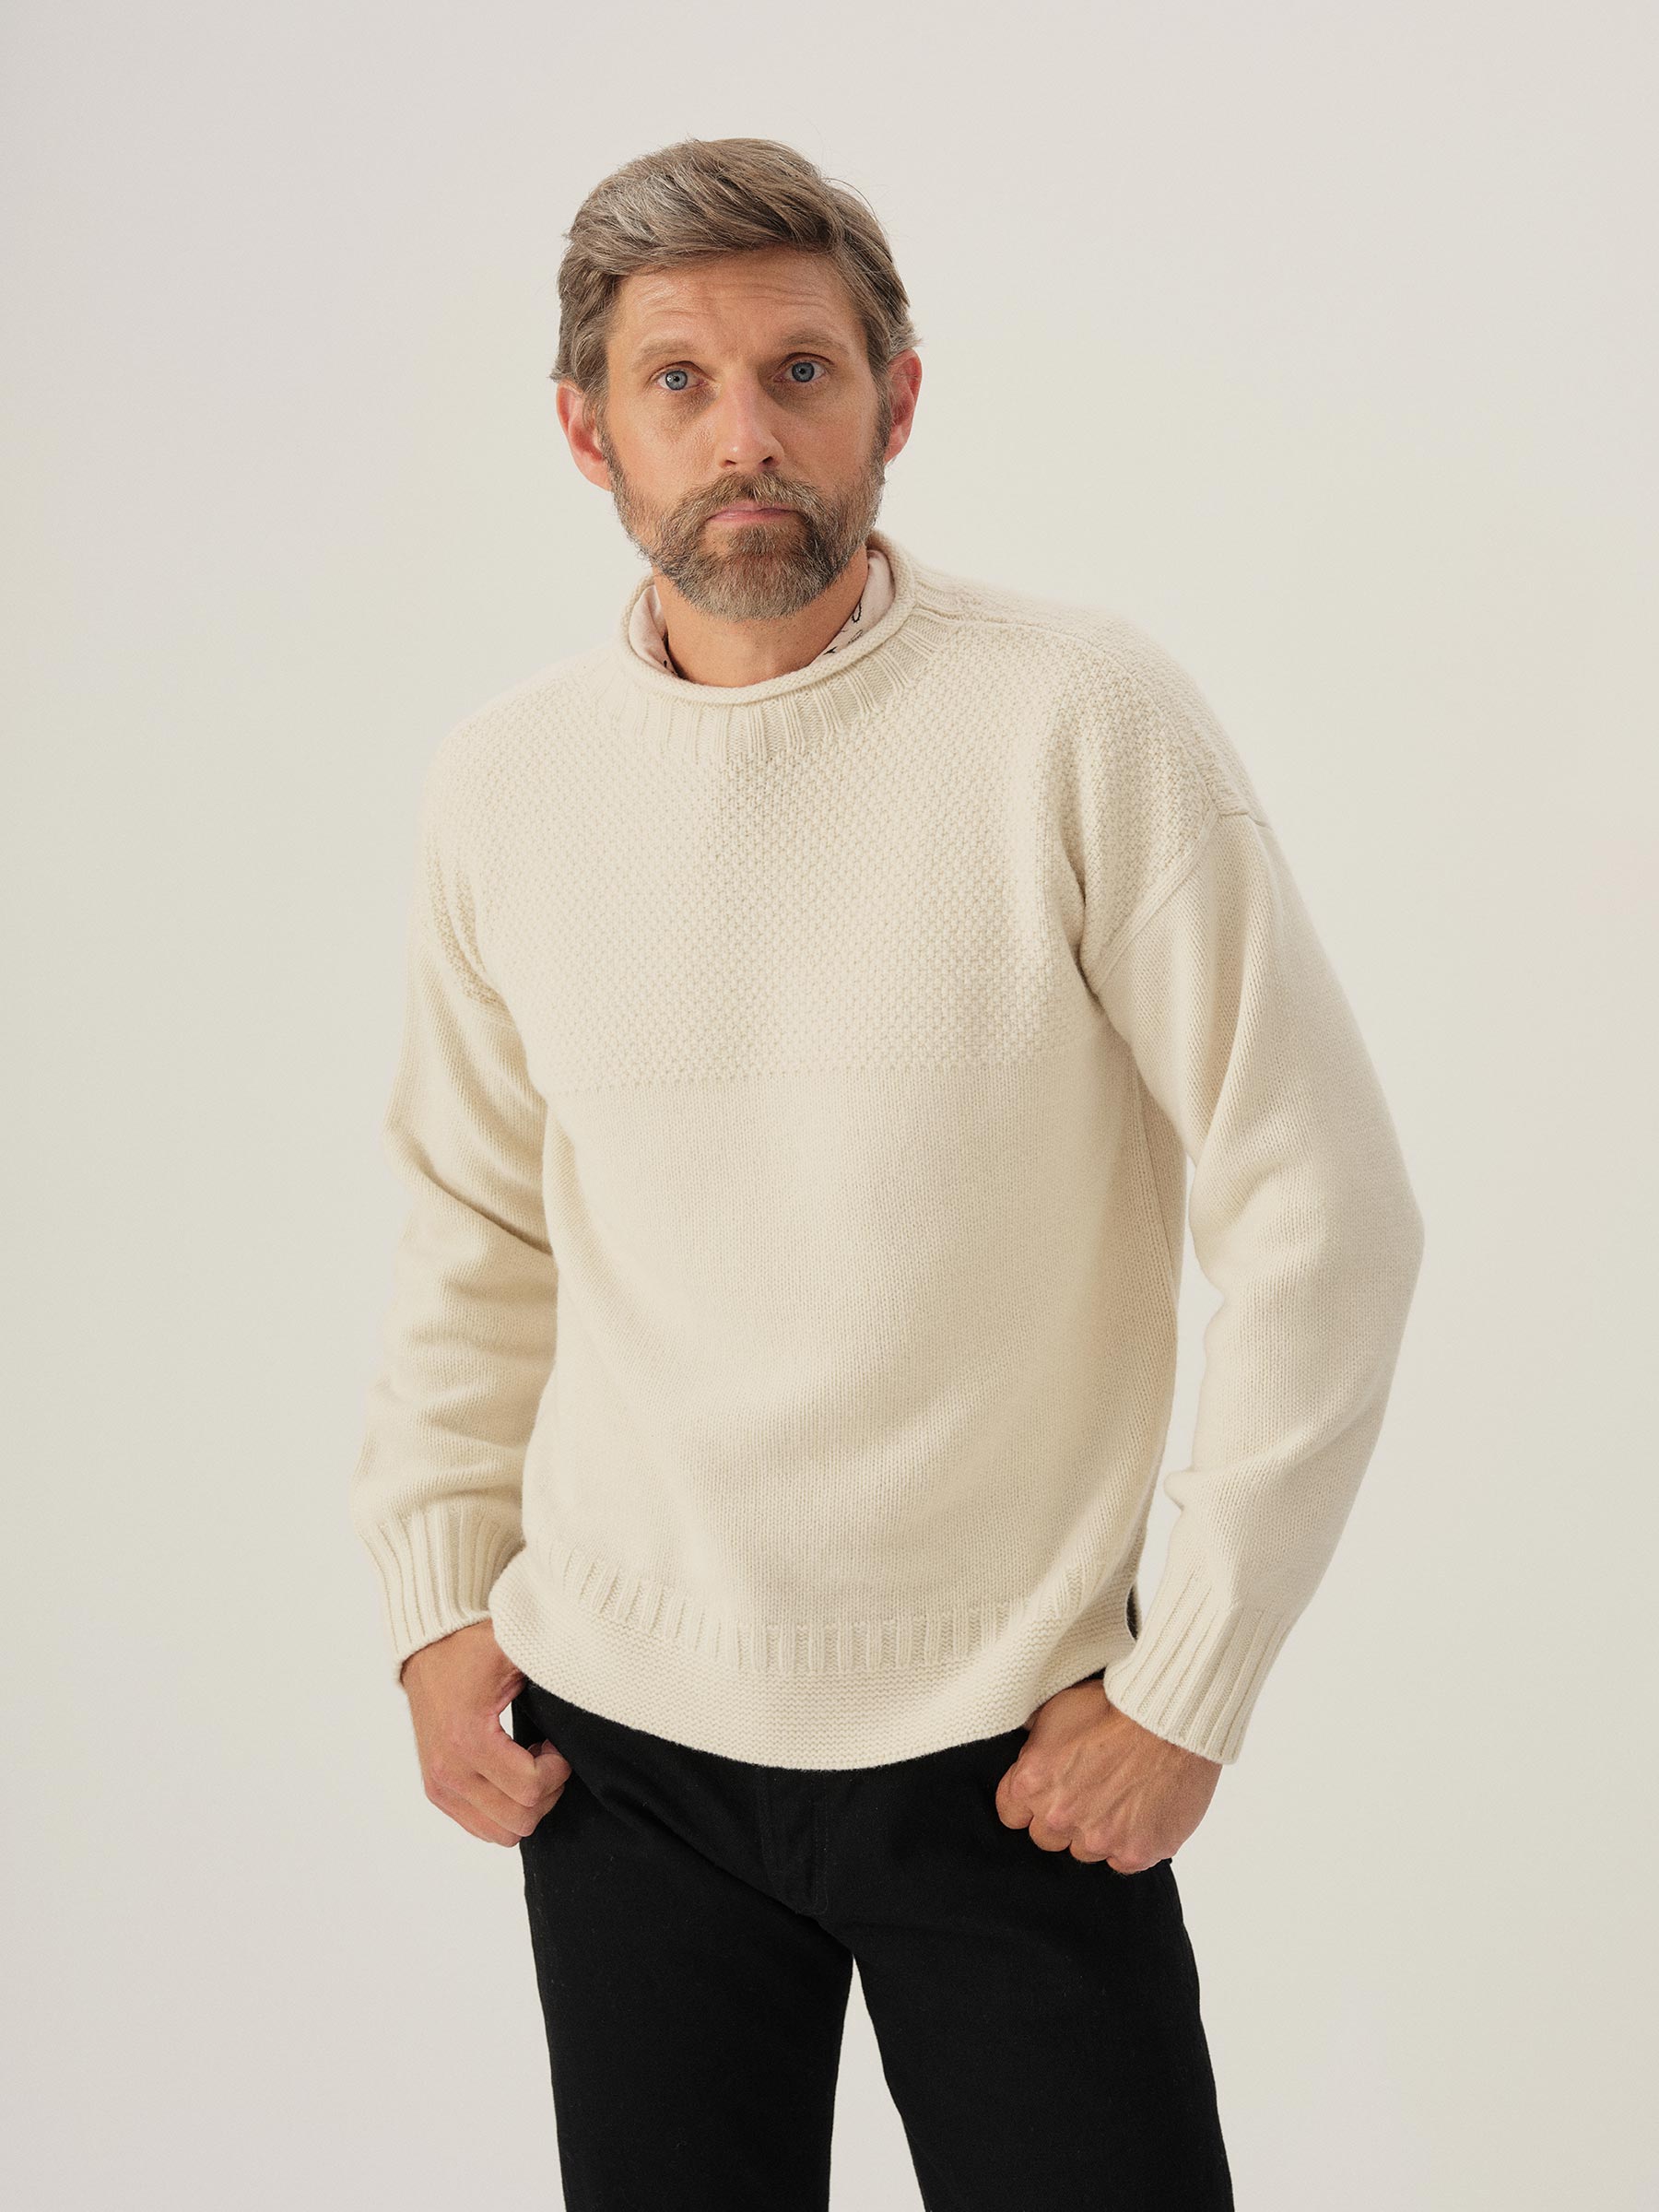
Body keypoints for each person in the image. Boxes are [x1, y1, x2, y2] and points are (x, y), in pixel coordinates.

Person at [349, 135, 1425, 2210]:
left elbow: (1324, 1216)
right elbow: (474, 1227)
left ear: (896, 401)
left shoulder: (1082, 721)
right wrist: (433, 1603)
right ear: (587, 431)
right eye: (678, 381)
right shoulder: (505, 785)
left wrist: (1191, 1682)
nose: (744, 435)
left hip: (1012, 1745)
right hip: (617, 1748)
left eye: (802, 373)